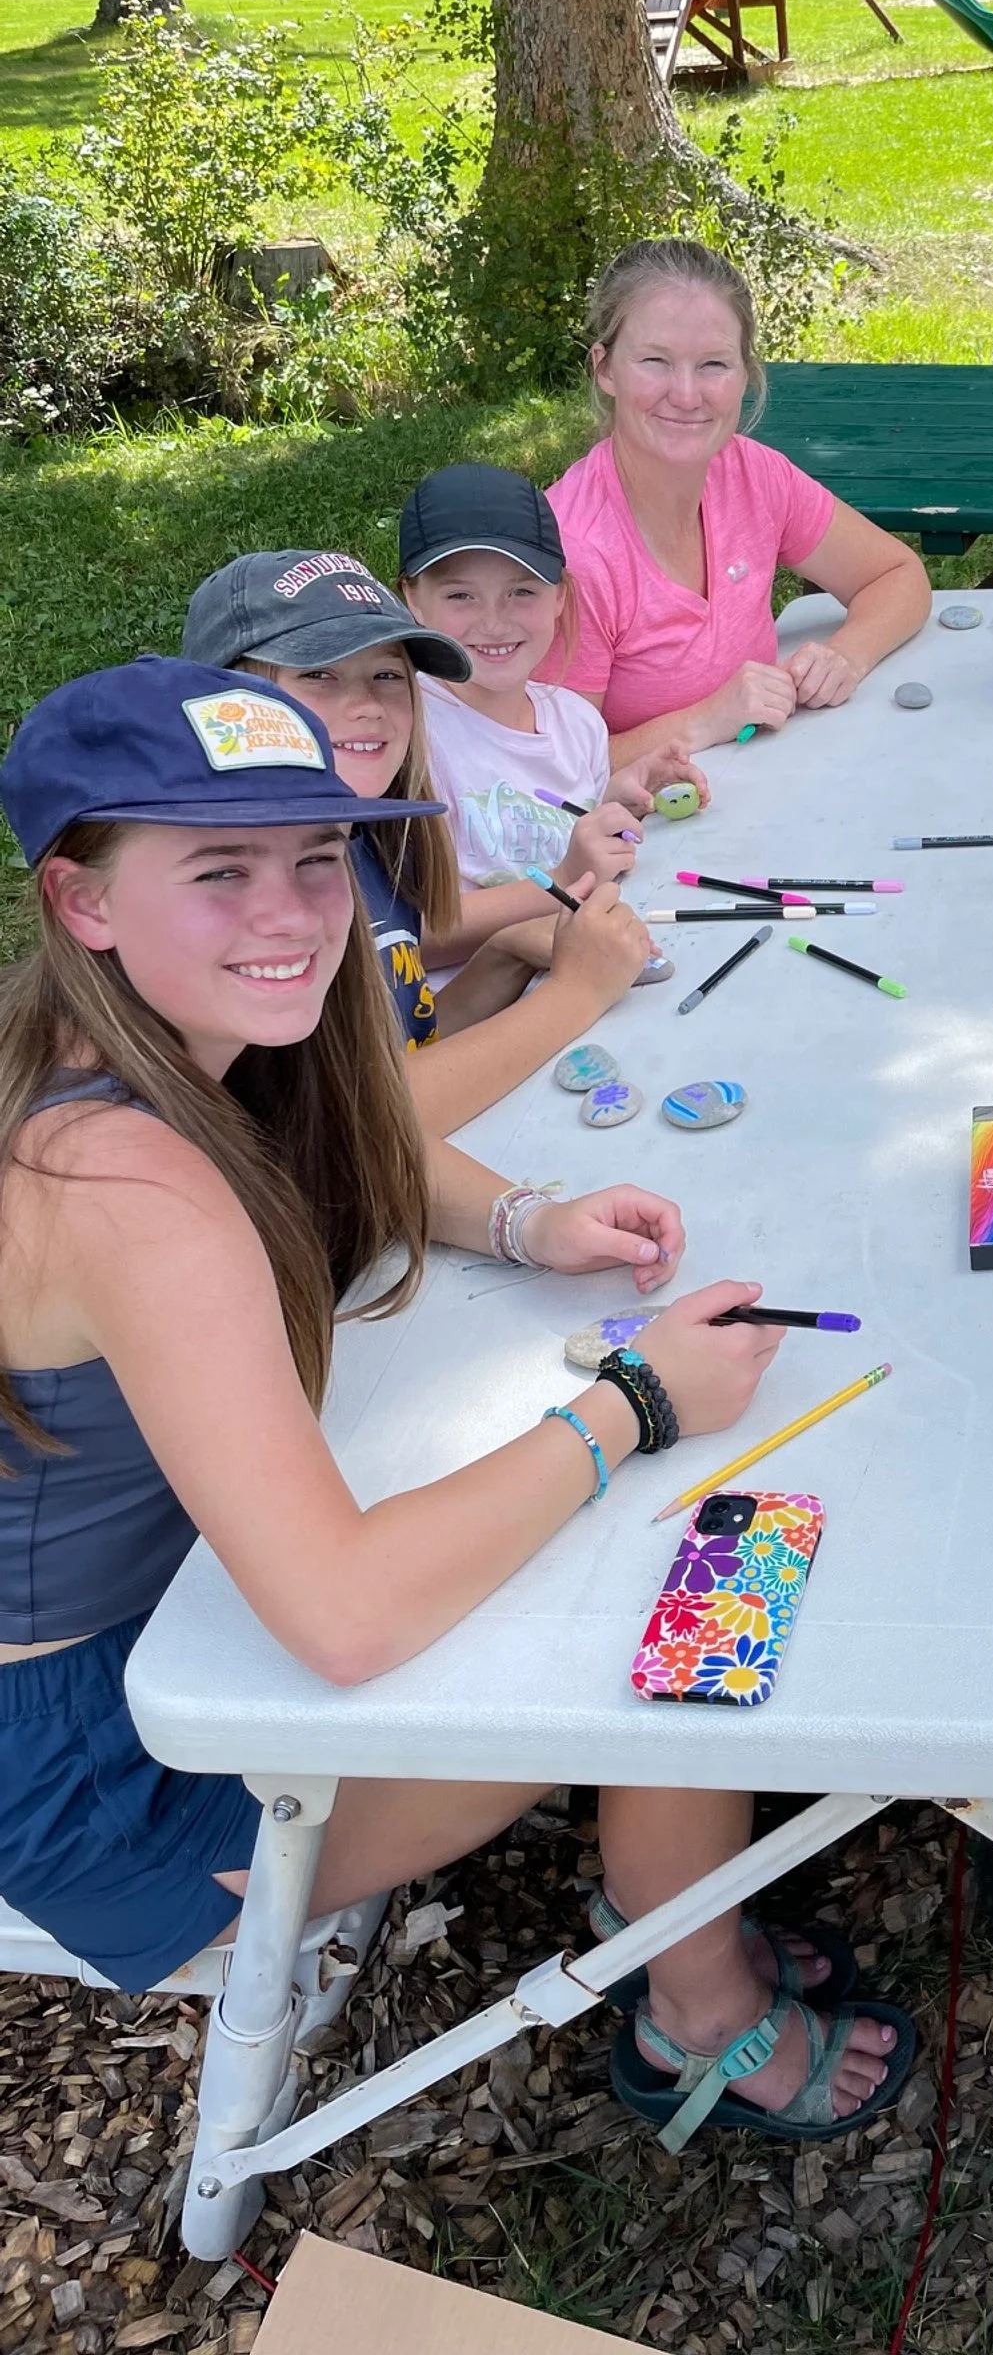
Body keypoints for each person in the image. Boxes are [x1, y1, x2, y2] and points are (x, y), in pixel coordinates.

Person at [0, 659, 912, 2147]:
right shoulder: (124, 1184)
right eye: (219, 870)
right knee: (663, 1601)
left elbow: (358, 1138)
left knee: (607, 1547)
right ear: (84, 899)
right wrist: (632, 1403)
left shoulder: (145, 1044)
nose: (293, 914)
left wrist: (525, 1225)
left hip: (178, 1601)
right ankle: (688, 1981)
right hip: (108, 1759)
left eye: (313, 857)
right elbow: (347, 1615)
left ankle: (665, 1891)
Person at [182, 549, 660, 1139]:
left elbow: (406, 1041)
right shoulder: (249, 900)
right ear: (224, 702)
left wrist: (505, 955)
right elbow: (366, 1125)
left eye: (387, 676)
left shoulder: (363, 839)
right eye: (319, 675)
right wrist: (575, 994)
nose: (366, 707)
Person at [543, 240, 932, 763]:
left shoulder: (752, 475)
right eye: (655, 361)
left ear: (745, 374)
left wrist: (846, 656)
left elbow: (897, 574)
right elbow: (551, 766)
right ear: (605, 369)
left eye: (713, 364)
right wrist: (706, 719)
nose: (685, 394)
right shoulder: (574, 551)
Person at [398, 463, 707, 899]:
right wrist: (564, 881)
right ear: (413, 599)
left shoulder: (578, 724)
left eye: (521, 591)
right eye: (460, 596)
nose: (494, 622)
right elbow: (415, 934)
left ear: (560, 595)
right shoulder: (408, 739)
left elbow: (557, 823)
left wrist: (617, 799)